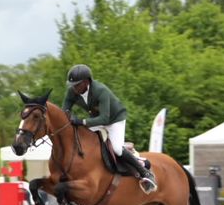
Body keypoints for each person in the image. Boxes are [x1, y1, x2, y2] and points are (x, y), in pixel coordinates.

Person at [62, 64, 157, 194]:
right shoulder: (73, 91)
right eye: (73, 85)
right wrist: (67, 114)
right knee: (84, 141)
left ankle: (145, 172)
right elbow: (66, 107)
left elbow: (105, 119)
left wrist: (81, 121)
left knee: (117, 149)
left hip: (114, 120)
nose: (74, 88)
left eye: (77, 84)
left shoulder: (101, 91)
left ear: (86, 82)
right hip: (96, 119)